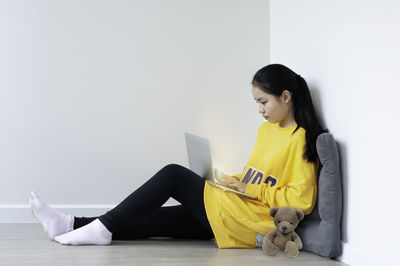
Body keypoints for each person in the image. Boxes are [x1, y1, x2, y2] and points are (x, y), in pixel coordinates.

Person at [29, 63, 328, 247]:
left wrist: (247, 187)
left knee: (173, 174)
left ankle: (101, 228)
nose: (259, 110)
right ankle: (69, 224)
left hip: (251, 221)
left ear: (286, 97)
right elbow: (254, 175)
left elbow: (300, 201)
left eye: (263, 102)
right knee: (154, 221)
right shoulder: (267, 130)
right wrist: (230, 179)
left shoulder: (303, 140)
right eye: (257, 103)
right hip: (235, 207)